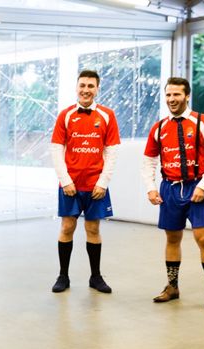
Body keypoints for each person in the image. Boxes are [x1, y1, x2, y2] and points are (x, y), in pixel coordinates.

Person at [141, 77, 204, 312]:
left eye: (176, 94)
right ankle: (172, 287)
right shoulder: (159, 127)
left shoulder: (203, 122)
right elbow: (149, 161)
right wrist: (151, 187)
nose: (171, 99)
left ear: (187, 96)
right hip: (169, 189)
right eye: (168, 95)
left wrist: (203, 186)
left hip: (197, 186)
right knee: (172, 239)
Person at [50, 70, 120, 294]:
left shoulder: (107, 115)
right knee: (67, 227)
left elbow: (112, 151)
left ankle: (96, 277)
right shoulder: (66, 115)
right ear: (76, 87)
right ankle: (63, 276)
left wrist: (103, 182)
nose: (86, 90)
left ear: (97, 89)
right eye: (82, 85)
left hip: (95, 185)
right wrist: (65, 180)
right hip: (70, 185)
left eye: (91, 86)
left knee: (93, 228)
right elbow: (56, 149)